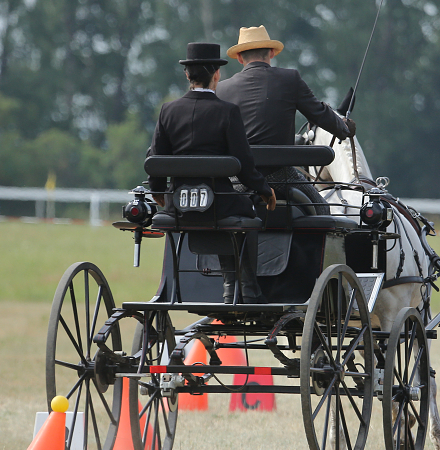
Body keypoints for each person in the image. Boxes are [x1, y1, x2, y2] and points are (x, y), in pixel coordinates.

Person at [148, 42, 276, 304]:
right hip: (219, 203)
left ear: (187, 75)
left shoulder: (168, 111)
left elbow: (156, 159)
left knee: (229, 212)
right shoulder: (227, 112)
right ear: (216, 74)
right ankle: (246, 289)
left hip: (179, 207)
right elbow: (244, 163)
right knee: (247, 209)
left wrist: (158, 192)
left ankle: (182, 290)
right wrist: (264, 190)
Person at [216, 25, 356, 211]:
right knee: (322, 209)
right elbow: (320, 114)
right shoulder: (290, 79)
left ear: (240, 57)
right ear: (272, 53)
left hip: (237, 178)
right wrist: (344, 128)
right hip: (282, 177)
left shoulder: (222, 89)